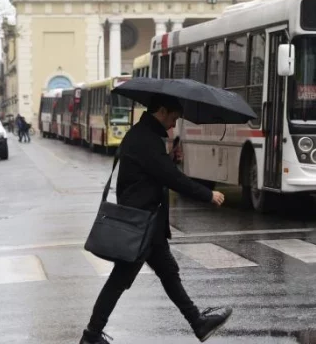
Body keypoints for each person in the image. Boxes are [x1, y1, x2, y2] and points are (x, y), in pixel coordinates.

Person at [80, 96, 232, 344]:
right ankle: (91, 336)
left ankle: (198, 322)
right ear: (161, 111)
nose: (173, 126)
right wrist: (208, 194)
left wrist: (169, 158)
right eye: (173, 119)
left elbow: (153, 173)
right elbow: (172, 178)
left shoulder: (144, 137)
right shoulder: (145, 140)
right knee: (120, 280)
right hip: (141, 225)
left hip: (149, 223)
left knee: (169, 272)